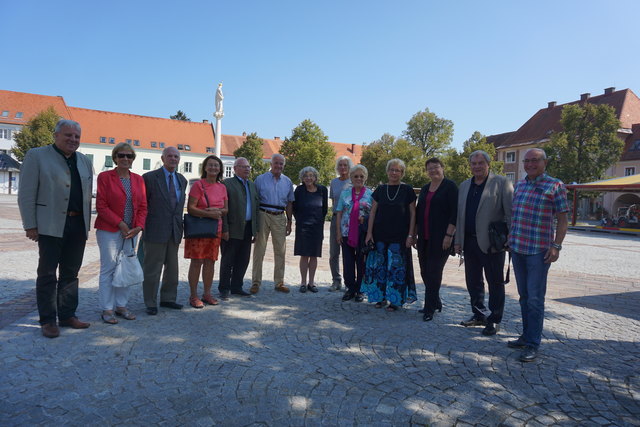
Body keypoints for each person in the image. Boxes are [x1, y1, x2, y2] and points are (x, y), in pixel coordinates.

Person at [18, 119, 93, 338]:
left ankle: (68, 314)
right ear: (56, 135)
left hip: (78, 224)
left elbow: (87, 195)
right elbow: (27, 193)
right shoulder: (37, 155)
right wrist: (30, 224)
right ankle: (48, 320)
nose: (73, 139)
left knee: (71, 273)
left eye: (77, 136)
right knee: (48, 274)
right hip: (50, 224)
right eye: (68, 135)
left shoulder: (84, 161)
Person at [508, 148, 568, 362]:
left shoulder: (555, 186)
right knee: (524, 297)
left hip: (538, 251)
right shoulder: (520, 185)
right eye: (528, 161)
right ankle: (526, 336)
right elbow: (516, 216)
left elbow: (562, 219)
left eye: (535, 160)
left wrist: (557, 246)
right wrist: (510, 238)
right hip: (518, 248)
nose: (531, 164)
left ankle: (533, 343)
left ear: (545, 162)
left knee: (534, 298)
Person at [455, 150, 513, 335]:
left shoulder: (502, 183)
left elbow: (510, 212)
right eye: (474, 163)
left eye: (481, 163)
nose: (477, 166)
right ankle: (479, 314)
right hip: (469, 241)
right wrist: (458, 240)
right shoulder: (464, 185)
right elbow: (459, 215)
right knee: (473, 281)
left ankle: (494, 319)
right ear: (470, 165)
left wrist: (511, 236)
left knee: (495, 282)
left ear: (488, 164)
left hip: (492, 242)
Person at [94, 143, 147, 324]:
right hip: (109, 230)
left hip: (132, 232)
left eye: (129, 156)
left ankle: (121, 305)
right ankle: (107, 309)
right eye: (121, 155)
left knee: (126, 267)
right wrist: (120, 223)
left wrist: (138, 226)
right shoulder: (105, 177)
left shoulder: (138, 180)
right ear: (115, 158)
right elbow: (101, 206)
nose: (125, 159)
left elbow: (143, 207)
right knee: (109, 268)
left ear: (133, 159)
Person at [363, 158, 417, 311]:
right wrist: (369, 233)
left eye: (397, 170)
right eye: (391, 169)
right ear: (387, 171)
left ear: (402, 173)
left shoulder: (407, 190)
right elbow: (372, 212)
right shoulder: (380, 190)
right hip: (380, 234)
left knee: (396, 269)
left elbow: (413, 214)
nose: (394, 172)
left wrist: (411, 235)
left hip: (400, 236)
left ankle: (395, 300)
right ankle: (380, 298)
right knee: (380, 267)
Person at [141, 146, 188, 315]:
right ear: (162, 158)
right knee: (152, 268)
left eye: (176, 156)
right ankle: (150, 302)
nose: (173, 159)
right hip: (155, 229)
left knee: (172, 268)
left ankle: (168, 298)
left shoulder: (182, 179)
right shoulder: (149, 178)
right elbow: (143, 205)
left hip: (174, 230)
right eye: (170, 156)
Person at [416, 158, 458, 322]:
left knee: (434, 272)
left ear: (442, 168)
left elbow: (455, 213)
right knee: (425, 271)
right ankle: (436, 301)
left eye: (436, 167)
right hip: (424, 237)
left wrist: (449, 235)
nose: (433, 171)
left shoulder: (450, 187)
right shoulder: (426, 188)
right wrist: (414, 233)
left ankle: (429, 308)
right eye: (430, 168)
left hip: (441, 238)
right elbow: (420, 211)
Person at [184, 155, 228, 308]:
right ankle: (193, 295)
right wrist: (209, 213)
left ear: (220, 169)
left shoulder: (222, 187)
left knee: (210, 262)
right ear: (205, 167)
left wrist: (218, 211)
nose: (213, 168)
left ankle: (207, 293)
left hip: (216, 229)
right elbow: (191, 208)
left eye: (216, 165)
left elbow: (226, 209)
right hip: (200, 228)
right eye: (210, 165)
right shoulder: (198, 185)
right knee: (197, 262)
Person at [251, 153, 295, 294]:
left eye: (281, 163)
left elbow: (289, 203)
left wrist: (289, 221)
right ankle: (256, 282)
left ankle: (279, 282)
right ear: (271, 164)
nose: (278, 166)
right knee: (259, 250)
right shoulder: (260, 179)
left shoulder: (287, 182)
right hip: (263, 214)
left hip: (279, 216)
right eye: (276, 163)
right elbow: (254, 200)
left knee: (280, 251)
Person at [219, 157, 260, 299]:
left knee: (243, 259)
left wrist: (256, 229)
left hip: (248, 228)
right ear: (235, 169)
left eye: (248, 166)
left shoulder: (252, 185)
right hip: (232, 227)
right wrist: (224, 229)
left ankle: (237, 286)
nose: (247, 169)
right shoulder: (227, 184)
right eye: (243, 166)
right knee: (228, 259)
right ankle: (224, 288)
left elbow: (256, 208)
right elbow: (222, 209)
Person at [335, 164, 373, 302]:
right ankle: (350, 288)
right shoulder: (345, 193)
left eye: (361, 176)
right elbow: (339, 212)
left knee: (362, 262)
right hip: (346, 233)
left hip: (362, 234)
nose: (358, 178)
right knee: (348, 261)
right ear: (351, 177)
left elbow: (374, 214)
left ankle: (360, 290)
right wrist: (338, 232)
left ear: (365, 178)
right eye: (355, 176)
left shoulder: (370, 194)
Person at [293, 167, 328, 293]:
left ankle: (311, 283)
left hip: (317, 226)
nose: (309, 178)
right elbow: (294, 207)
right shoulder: (299, 190)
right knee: (304, 255)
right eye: (306, 175)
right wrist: (300, 220)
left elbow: (324, 209)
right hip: (303, 226)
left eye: (311, 175)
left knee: (314, 255)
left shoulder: (322, 190)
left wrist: (318, 221)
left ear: (315, 177)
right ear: (302, 178)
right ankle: (303, 282)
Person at [329, 156, 354, 291]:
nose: (343, 168)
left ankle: (349, 281)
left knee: (348, 253)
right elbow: (334, 202)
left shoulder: (354, 181)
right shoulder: (334, 182)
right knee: (334, 252)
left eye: (345, 165)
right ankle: (336, 280)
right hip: (335, 219)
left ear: (349, 167)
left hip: (349, 221)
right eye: (340, 165)